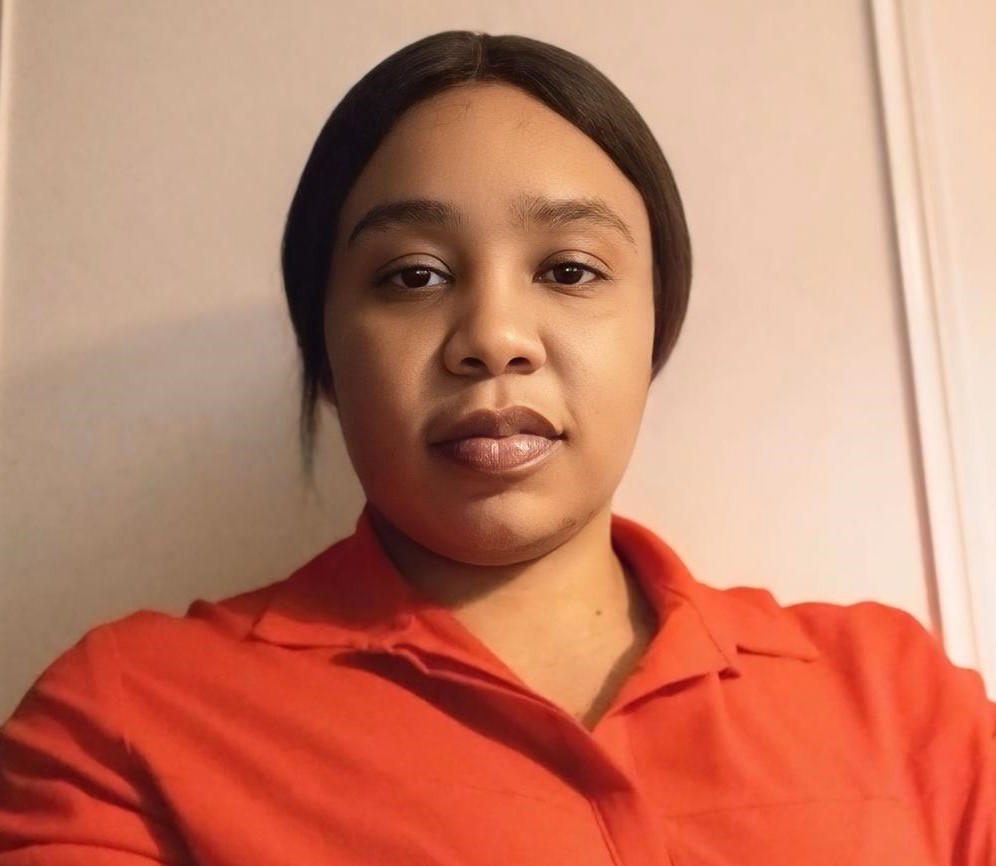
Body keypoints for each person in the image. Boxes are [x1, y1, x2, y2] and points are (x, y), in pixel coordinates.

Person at [0, 29, 992, 866]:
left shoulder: (897, 699)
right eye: (413, 276)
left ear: (656, 327)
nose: (494, 337)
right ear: (327, 351)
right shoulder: (126, 724)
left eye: (569, 269)